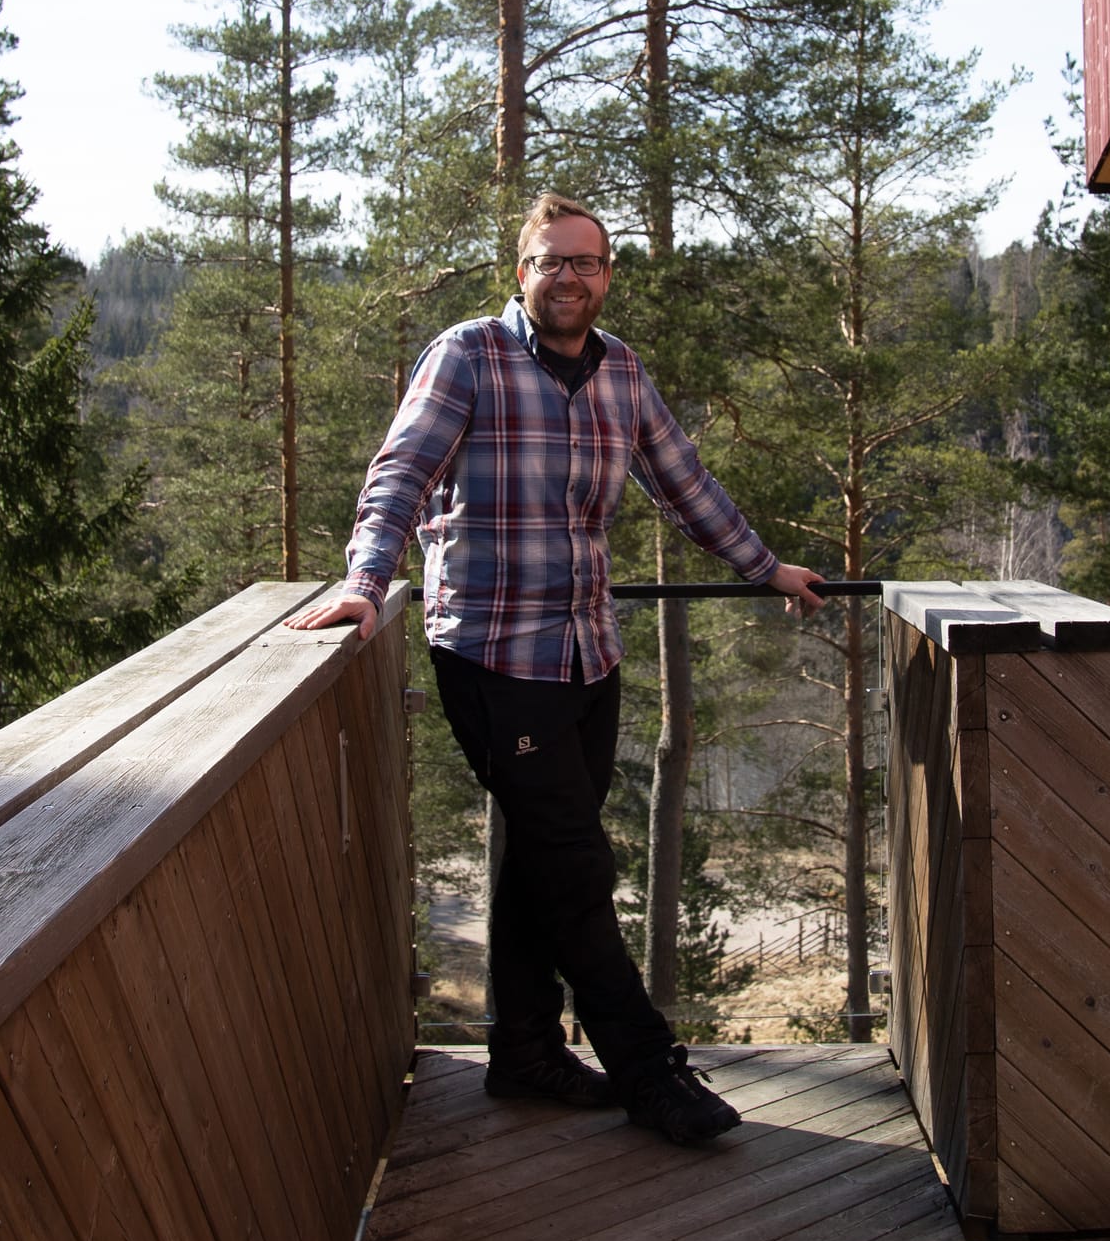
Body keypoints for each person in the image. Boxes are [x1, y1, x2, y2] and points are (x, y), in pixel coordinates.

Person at [285, 192, 824, 1144]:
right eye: (552, 261)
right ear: (521, 272)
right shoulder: (467, 357)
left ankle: (525, 1052)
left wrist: (765, 567)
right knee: (577, 862)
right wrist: (368, 582)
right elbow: (399, 474)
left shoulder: (621, 372)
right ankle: (652, 1071)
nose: (570, 277)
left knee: (543, 856)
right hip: (493, 654)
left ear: (607, 274)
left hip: (587, 653)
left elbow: (683, 480)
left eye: (588, 262)